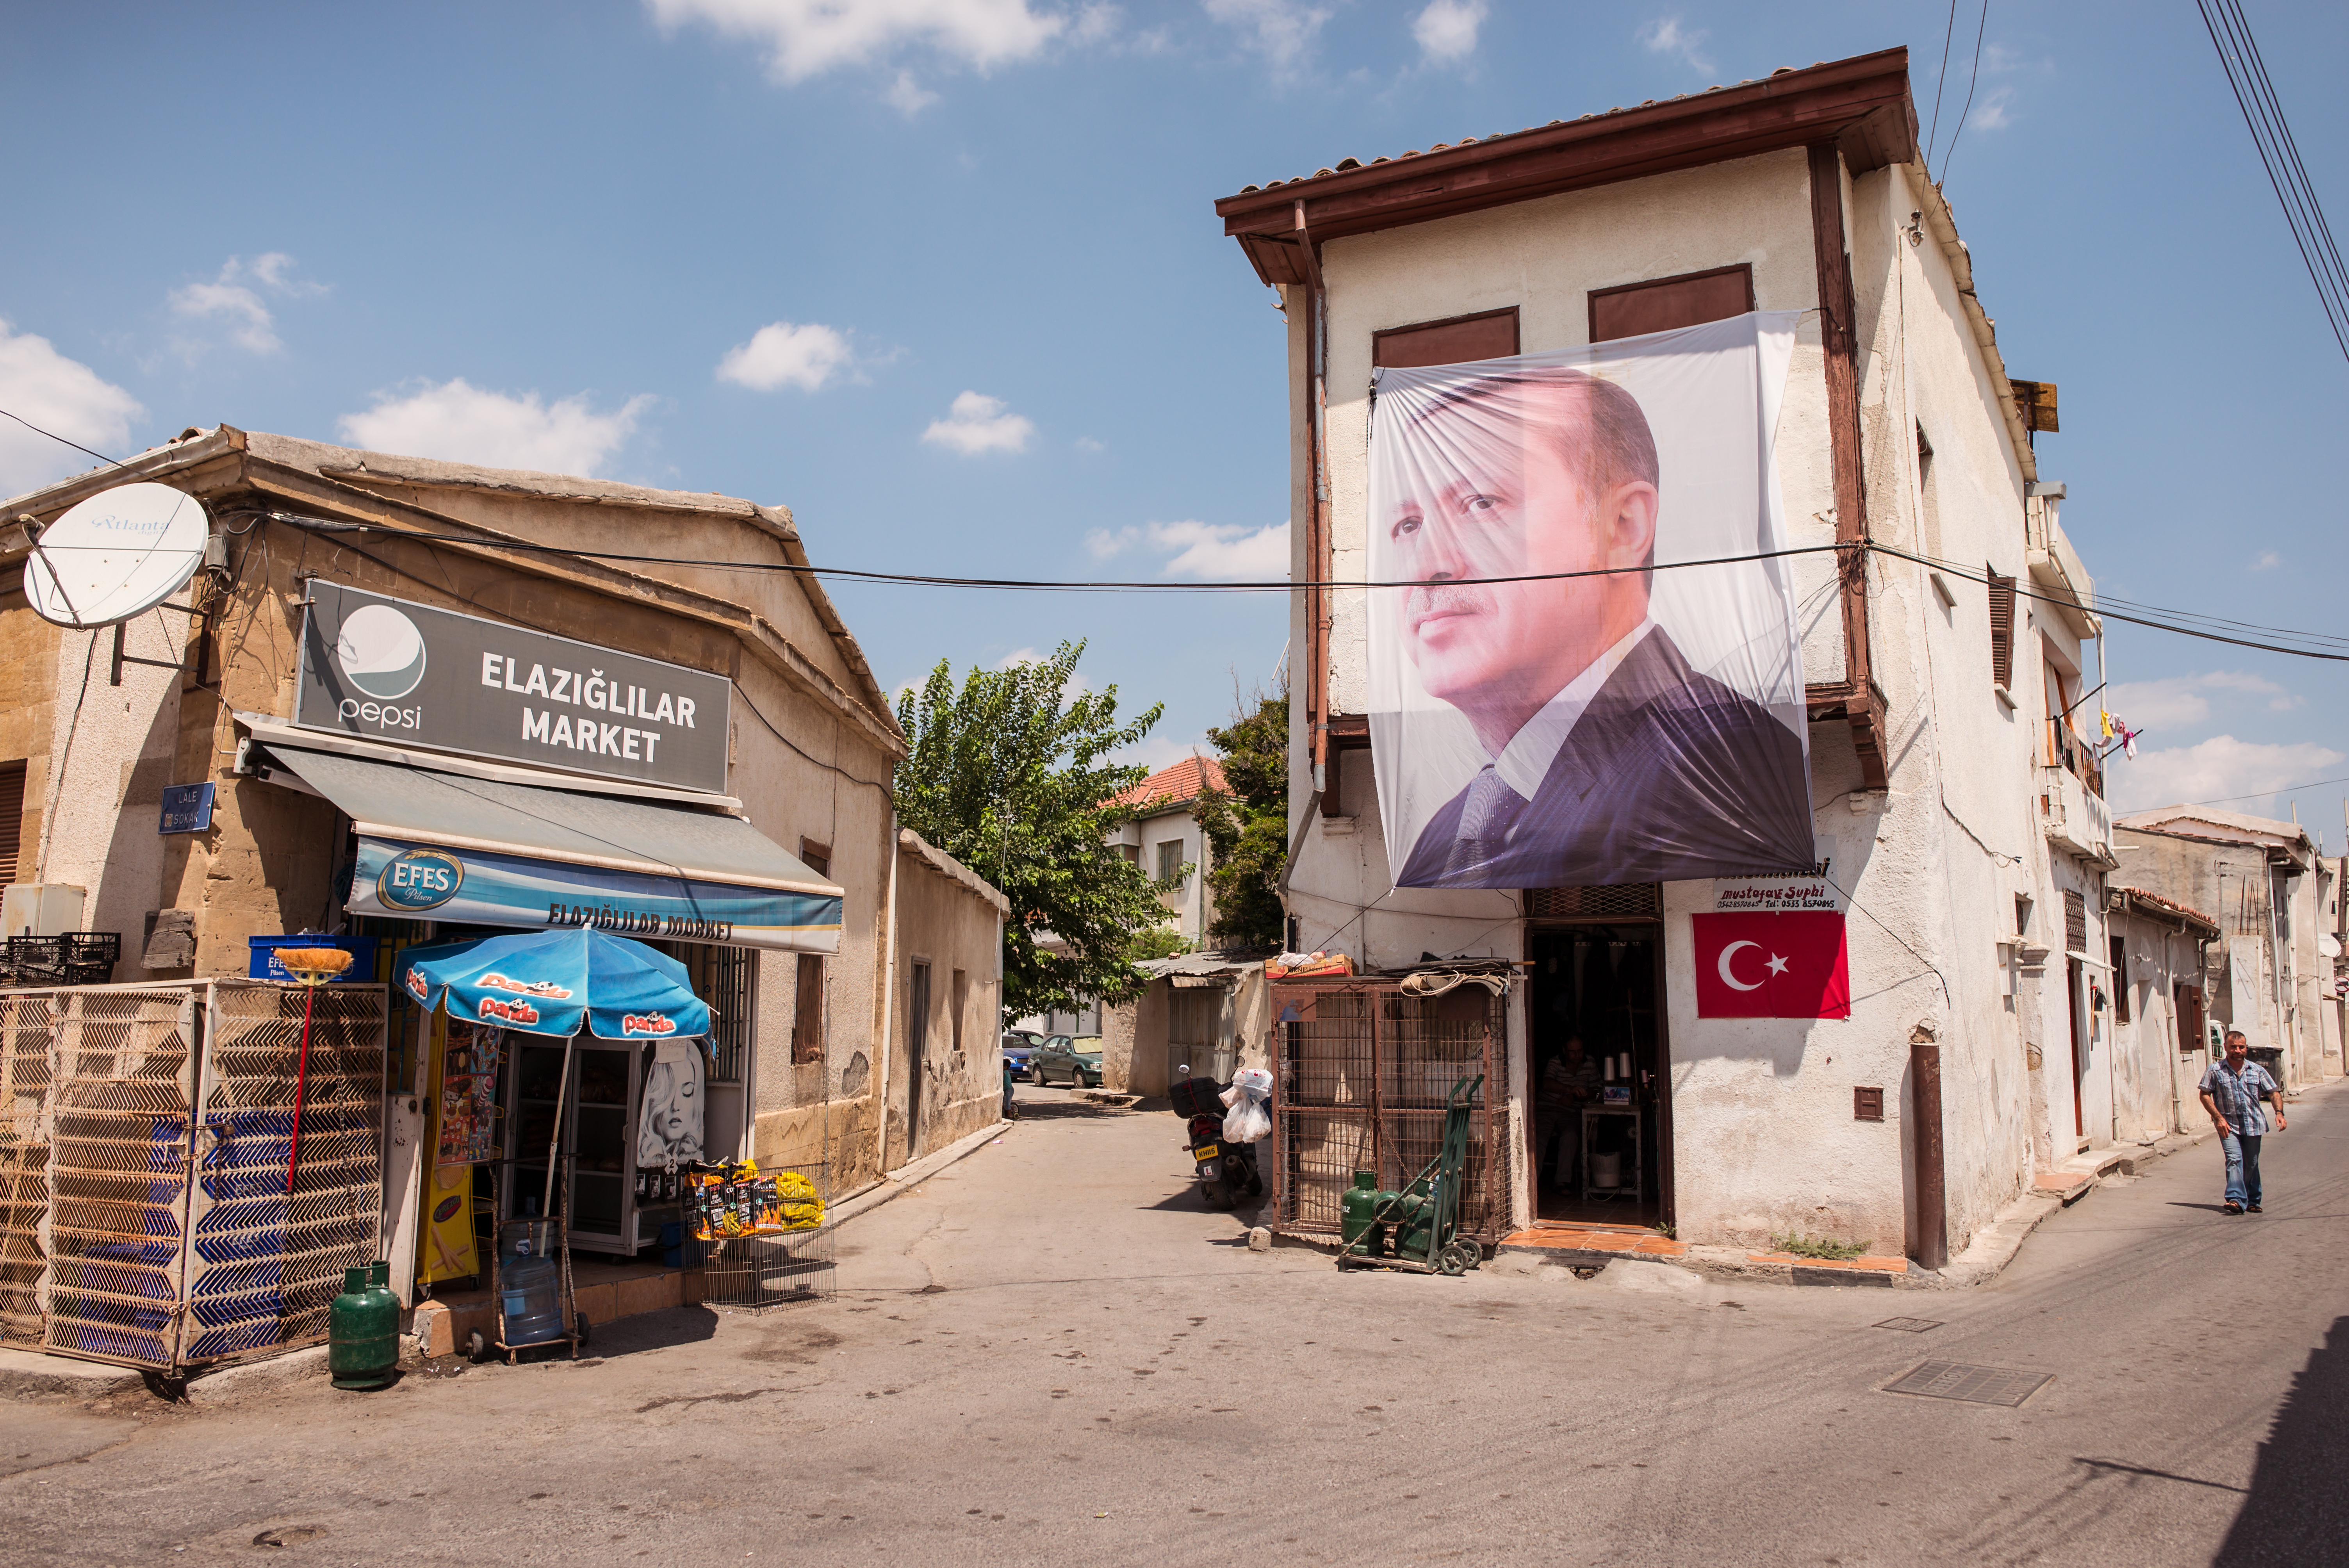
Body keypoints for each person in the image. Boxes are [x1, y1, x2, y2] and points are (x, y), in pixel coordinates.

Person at [1383, 367, 1811, 889]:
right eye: (1408, 525)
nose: (1429, 565)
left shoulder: (1722, 766)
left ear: (1623, 528)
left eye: (1481, 503)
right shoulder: (1448, 833)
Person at [2198, 1030, 2284, 1214]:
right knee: (2234, 1160)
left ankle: (2253, 1199)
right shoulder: (2215, 1070)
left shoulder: (2257, 1070)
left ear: (2246, 1048)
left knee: (2251, 1163)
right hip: (2228, 1125)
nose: (2238, 1050)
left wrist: (2279, 1113)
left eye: (2241, 1047)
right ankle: (2236, 1199)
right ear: (2225, 1048)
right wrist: (2218, 1118)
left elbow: (2274, 1092)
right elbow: (2205, 1095)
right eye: (2233, 1047)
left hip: (2254, 1124)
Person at [1537, 1035, 1603, 1193]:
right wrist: (1570, 1089)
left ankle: (1562, 1182)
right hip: (1546, 1109)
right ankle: (1531, 1181)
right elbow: (1547, 1083)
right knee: (1539, 1138)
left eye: (1580, 1051)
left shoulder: (1590, 1062)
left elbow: (1598, 1089)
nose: (1577, 1055)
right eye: (1573, 1052)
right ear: (1564, 1051)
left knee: (1571, 1136)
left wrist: (1574, 1096)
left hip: (1571, 1112)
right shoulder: (1556, 1062)